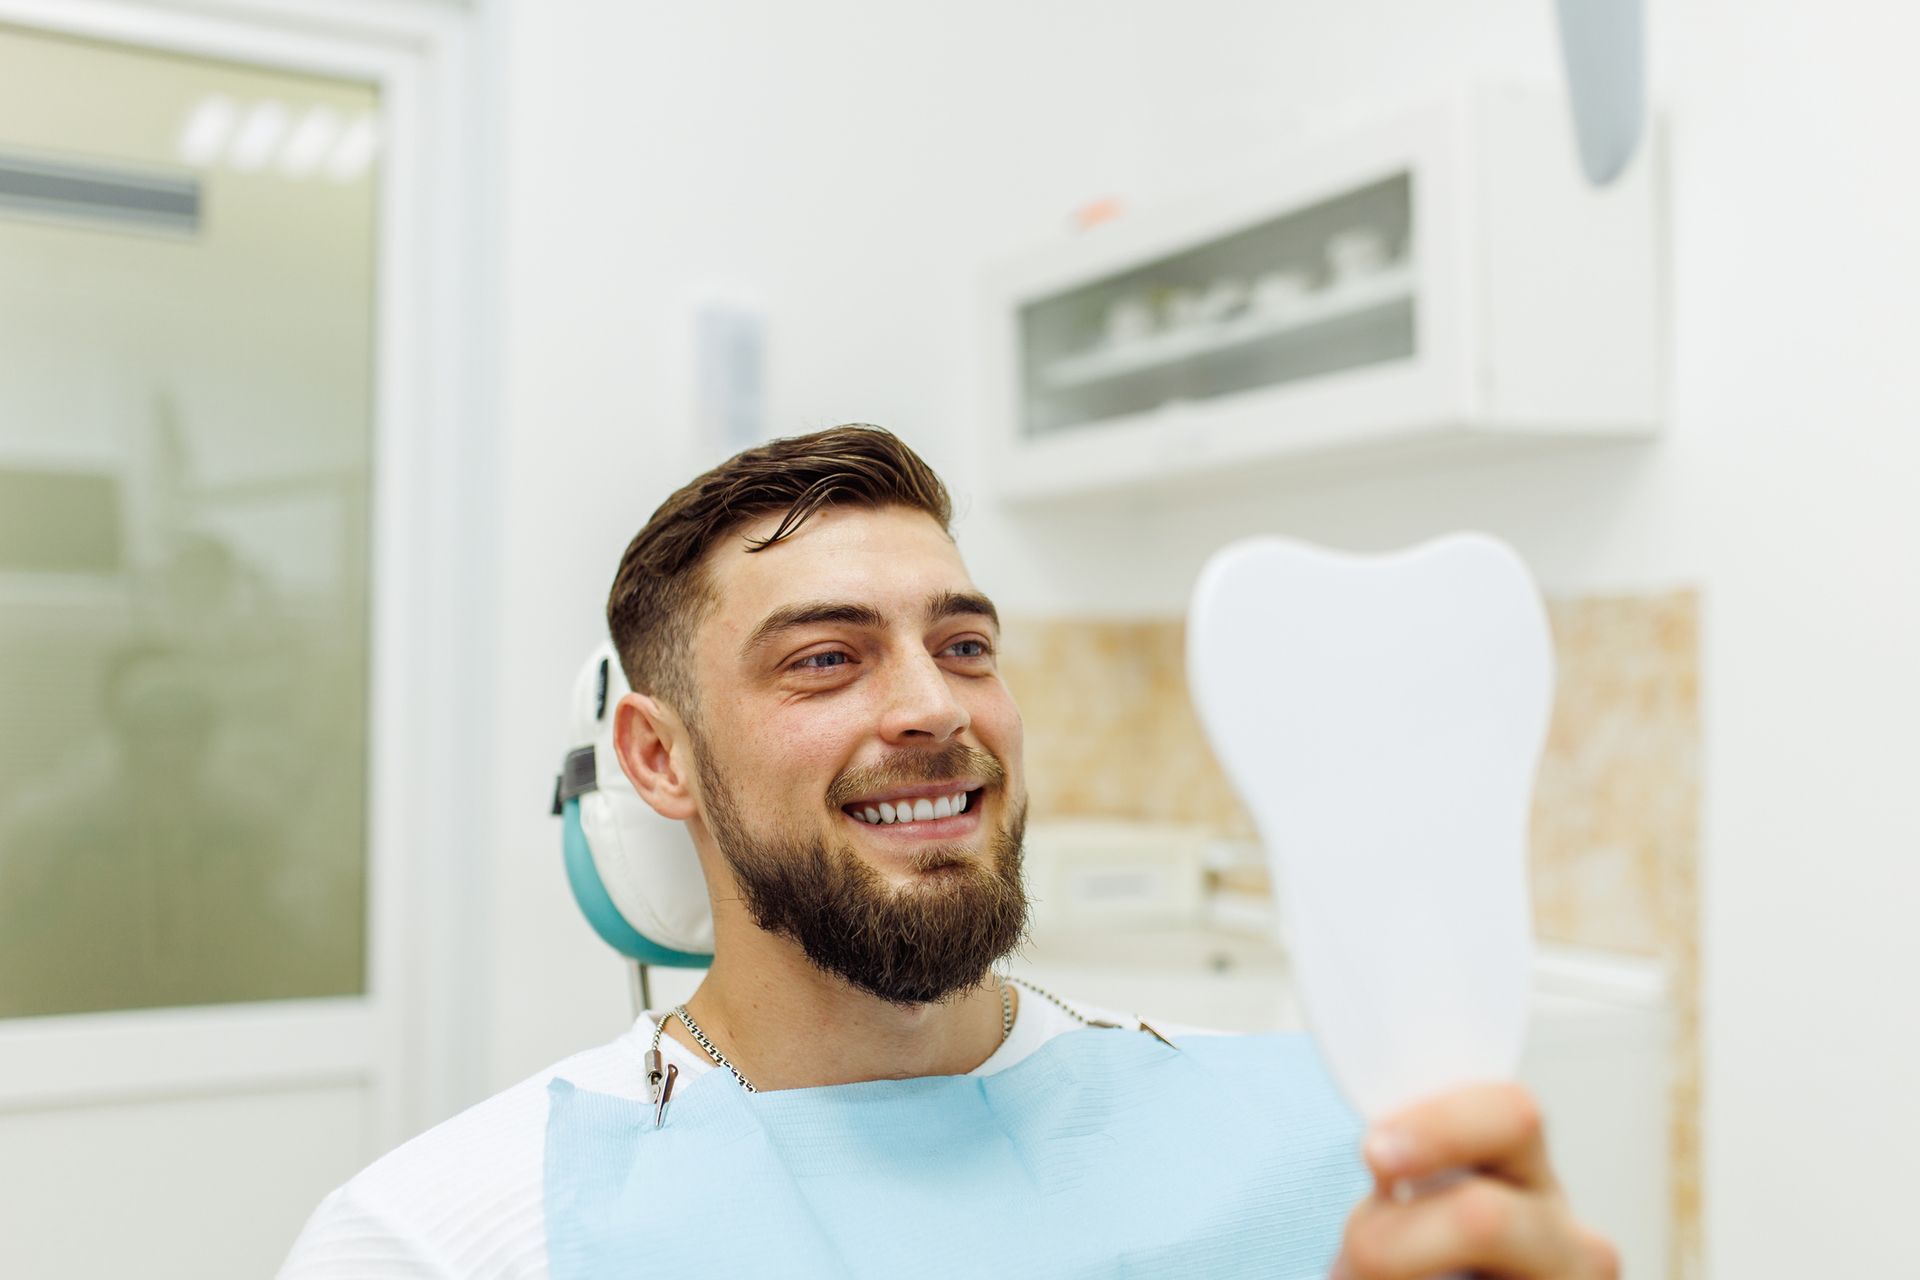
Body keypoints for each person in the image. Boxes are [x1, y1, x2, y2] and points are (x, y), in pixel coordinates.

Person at [281, 426, 1617, 1279]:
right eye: (827, 659)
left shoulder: (1341, 1144)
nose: (934, 706)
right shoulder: (443, 1239)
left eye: (965, 645)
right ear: (658, 758)